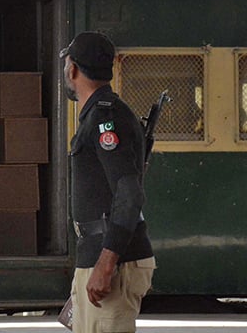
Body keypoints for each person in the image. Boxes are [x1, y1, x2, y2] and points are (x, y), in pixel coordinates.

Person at [60, 31, 156, 333]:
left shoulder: (105, 119)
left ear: (72, 69)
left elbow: (129, 194)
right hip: (97, 253)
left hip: (111, 260)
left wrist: (106, 262)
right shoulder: (100, 114)